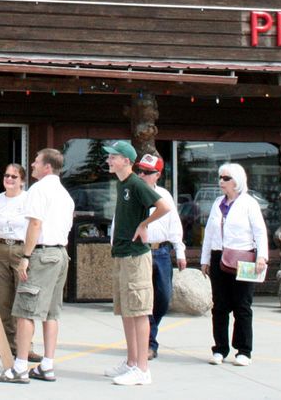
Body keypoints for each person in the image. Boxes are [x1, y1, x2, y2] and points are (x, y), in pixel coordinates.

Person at [0, 148, 74, 384]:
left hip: (42, 252)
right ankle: (47, 365)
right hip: (61, 253)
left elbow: (35, 224)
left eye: (37, 162)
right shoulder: (64, 194)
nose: (33, 165)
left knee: (24, 310)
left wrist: (26, 256)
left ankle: (19, 367)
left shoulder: (39, 190)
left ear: (47, 166)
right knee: (51, 313)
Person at [102, 141, 170, 386]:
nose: (109, 160)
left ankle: (143, 369)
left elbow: (164, 206)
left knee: (139, 311)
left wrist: (144, 224)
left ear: (126, 160)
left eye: (114, 157)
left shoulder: (136, 183)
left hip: (135, 256)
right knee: (127, 311)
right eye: (109, 157)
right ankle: (131, 362)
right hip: (122, 255)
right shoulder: (122, 184)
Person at [200, 163, 268, 367]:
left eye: (226, 178)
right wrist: (204, 260)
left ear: (236, 181)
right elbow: (209, 233)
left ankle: (244, 350)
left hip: (243, 256)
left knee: (242, 305)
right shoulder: (217, 203)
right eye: (220, 178)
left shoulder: (249, 203)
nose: (221, 182)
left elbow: (260, 231)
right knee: (219, 305)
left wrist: (262, 257)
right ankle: (220, 349)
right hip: (219, 255)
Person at [0, 164, 42, 363]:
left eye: (14, 176)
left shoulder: (29, 199)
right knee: (3, 300)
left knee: (23, 300)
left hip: (22, 249)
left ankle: (25, 347)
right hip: (1, 249)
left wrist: (29, 256)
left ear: (22, 180)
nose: (9, 179)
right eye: (6, 175)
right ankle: (7, 345)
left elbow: (36, 227)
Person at [136, 154, 187, 360]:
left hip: (162, 251)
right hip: (139, 250)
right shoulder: (132, 193)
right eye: (139, 170)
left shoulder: (164, 195)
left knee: (163, 297)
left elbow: (174, 224)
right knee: (144, 299)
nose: (141, 175)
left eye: (147, 172)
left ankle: (149, 333)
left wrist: (180, 250)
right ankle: (149, 342)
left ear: (157, 175)